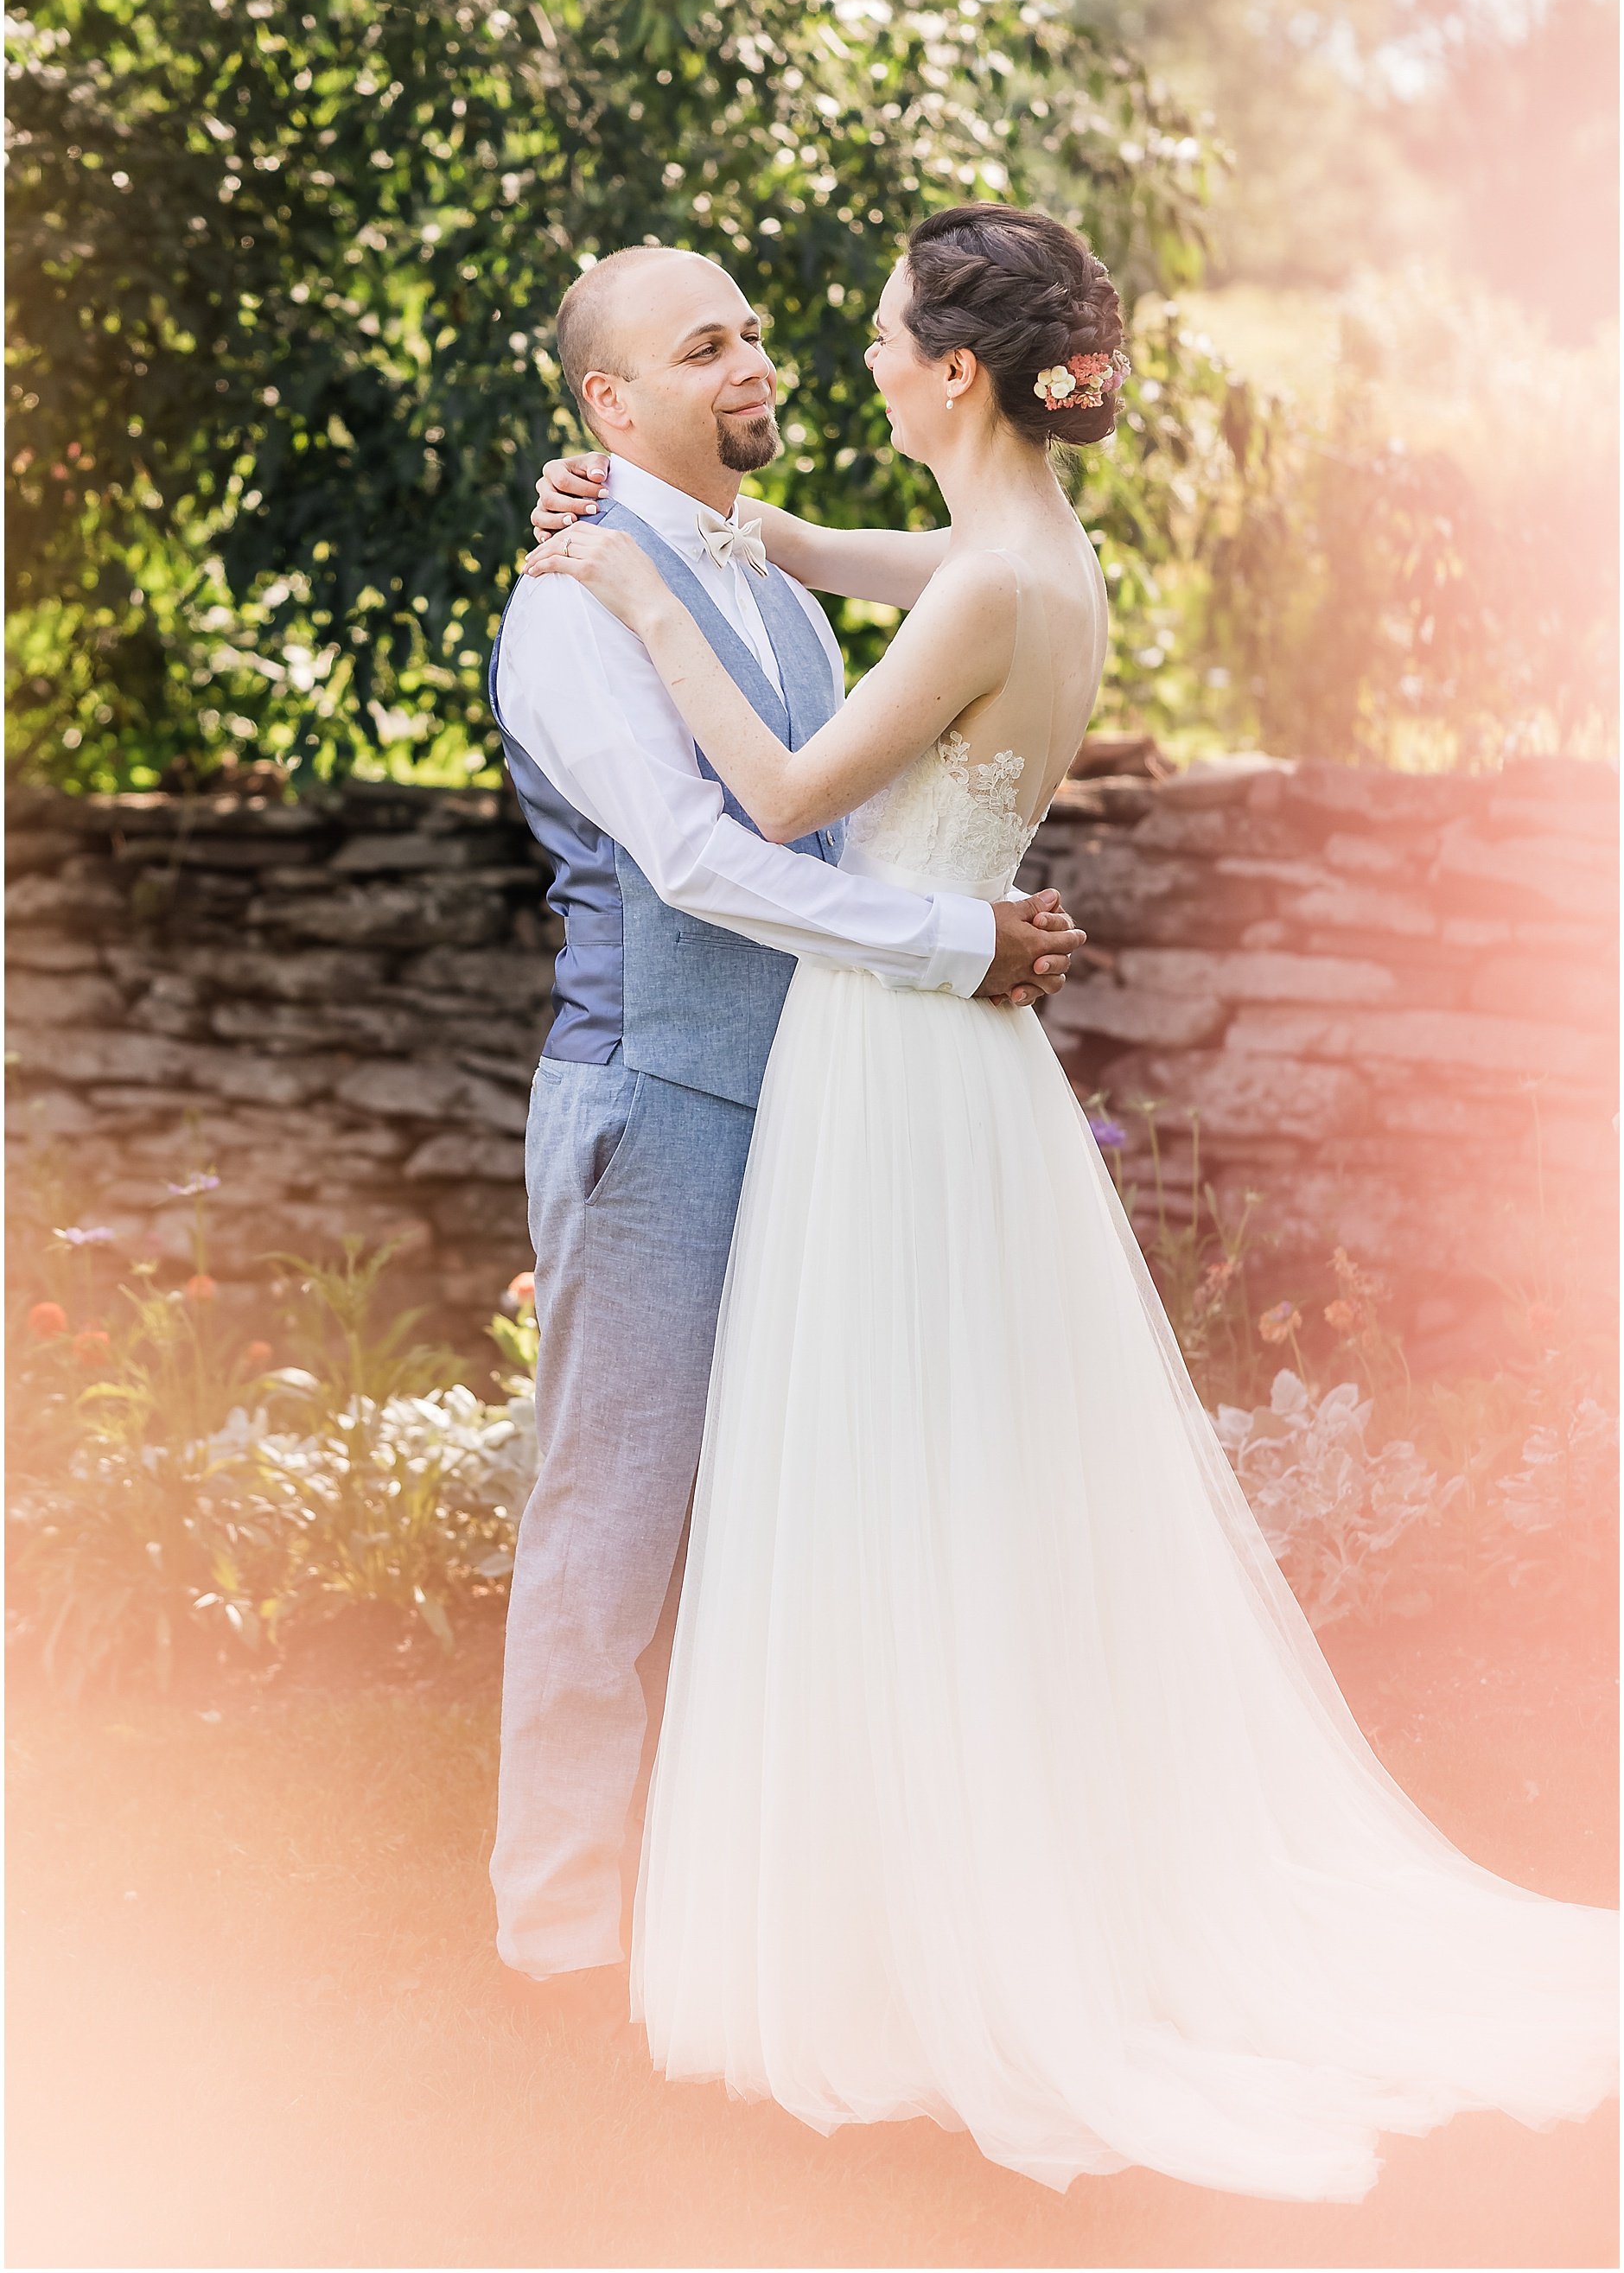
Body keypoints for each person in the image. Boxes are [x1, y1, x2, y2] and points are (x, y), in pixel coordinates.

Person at [519, 202, 1617, 2199]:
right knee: (930, 1480)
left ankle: (924, 1915)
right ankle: (857, 1870)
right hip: (931, 1068)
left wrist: (640, 583)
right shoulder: (1030, 555)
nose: (826, 360)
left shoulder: (971, 586)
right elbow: (845, 573)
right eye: (739, 342)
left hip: (895, 1054)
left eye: (855, 334)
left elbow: (763, 809)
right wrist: (683, 544)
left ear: (956, 373)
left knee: (877, 1478)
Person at [486, 240, 1087, 2033]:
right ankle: (559, 1935)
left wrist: (931, 937)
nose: (755, 359)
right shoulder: (566, 610)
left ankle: (764, 1893)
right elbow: (698, 861)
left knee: (797, 1513)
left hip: (823, 1108)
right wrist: (949, 944)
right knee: (620, 1515)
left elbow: (829, 824)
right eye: (704, 345)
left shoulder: (776, 588)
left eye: (751, 330)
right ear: (612, 406)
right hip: (660, 1101)